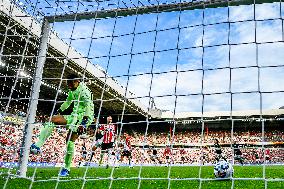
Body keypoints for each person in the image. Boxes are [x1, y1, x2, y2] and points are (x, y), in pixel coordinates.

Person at [30, 74, 94, 176]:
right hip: (74, 115)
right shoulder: (72, 90)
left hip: (84, 117)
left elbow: (88, 107)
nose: (68, 86)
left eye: (69, 84)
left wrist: (84, 123)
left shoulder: (85, 91)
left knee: (69, 141)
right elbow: (68, 102)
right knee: (52, 119)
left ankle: (66, 168)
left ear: (76, 82)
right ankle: (37, 145)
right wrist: (59, 111)